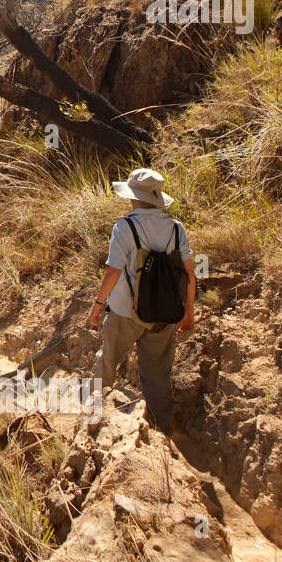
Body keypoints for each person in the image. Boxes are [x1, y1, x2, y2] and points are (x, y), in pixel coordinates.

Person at [87, 167, 196, 433]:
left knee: (107, 362)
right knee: (157, 374)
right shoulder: (176, 228)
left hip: (126, 311)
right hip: (165, 313)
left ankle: (91, 419)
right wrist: (188, 312)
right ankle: (161, 433)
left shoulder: (125, 227)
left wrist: (98, 305)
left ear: (134, 197)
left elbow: (113, 271)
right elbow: (190, 275)